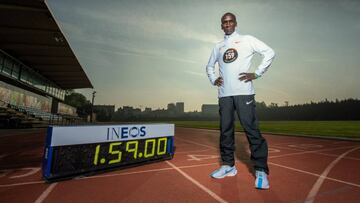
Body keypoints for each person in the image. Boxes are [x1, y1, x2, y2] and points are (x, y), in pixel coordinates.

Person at [206, 12, 275, 189]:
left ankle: (260, 170)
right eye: (224, 22)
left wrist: (257, 73)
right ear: (221, 26)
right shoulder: (218, 46)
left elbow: (269, 52)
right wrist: (214, 79)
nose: (227, 24)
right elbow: (209, 66)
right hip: (224, 95)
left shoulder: (247, 39)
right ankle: (228, 166)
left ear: (235, 23)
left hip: (244, 93)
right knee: (225, 131)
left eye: (230, 21)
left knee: (251, 130)